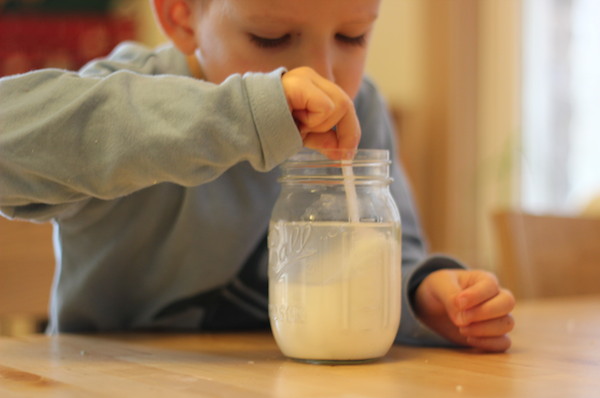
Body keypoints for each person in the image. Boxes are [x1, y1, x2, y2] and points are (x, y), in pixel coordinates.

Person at [0, 0, 515, 352]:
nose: (325, 74)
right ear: (181, 15)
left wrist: (426, 296)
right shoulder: (138, 95)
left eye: (352, 36)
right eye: (271, 38)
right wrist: (247, 114)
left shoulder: (359, 110)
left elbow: (381, 264)